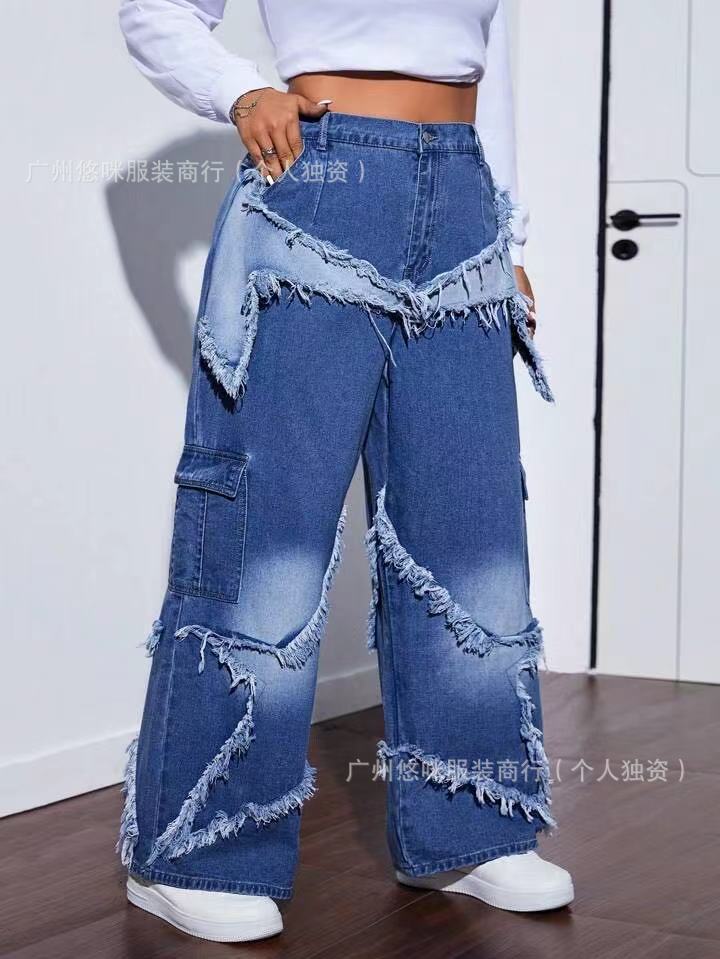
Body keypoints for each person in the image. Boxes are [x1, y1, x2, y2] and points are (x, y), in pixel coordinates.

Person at [116, 0, 574, 942]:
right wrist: (240, 89)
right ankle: (195, 848)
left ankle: (470, 826)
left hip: (461, 199)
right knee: (265, 539)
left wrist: (508, 238)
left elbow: (490, 59)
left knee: (472, 531)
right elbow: (155, 11)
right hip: (320, 182)